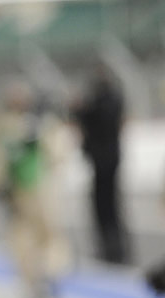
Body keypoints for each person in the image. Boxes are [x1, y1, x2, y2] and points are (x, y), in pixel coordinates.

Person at [0, 81, 70, 298]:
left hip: (34, 192)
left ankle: (46, 280)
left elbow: (58, 155)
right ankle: (39, 283)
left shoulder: (33, 125)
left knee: (42, 239)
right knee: (30, 241)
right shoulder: (16, 126)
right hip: (28, 193)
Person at [72, 63, 128, 265]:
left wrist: (82, 108)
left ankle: (115, 248)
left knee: (107, 206)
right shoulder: (105, 101)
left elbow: (92, 116)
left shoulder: (107, 101)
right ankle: (110, 247)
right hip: (102, 159)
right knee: (104, 205)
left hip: (106, 159)